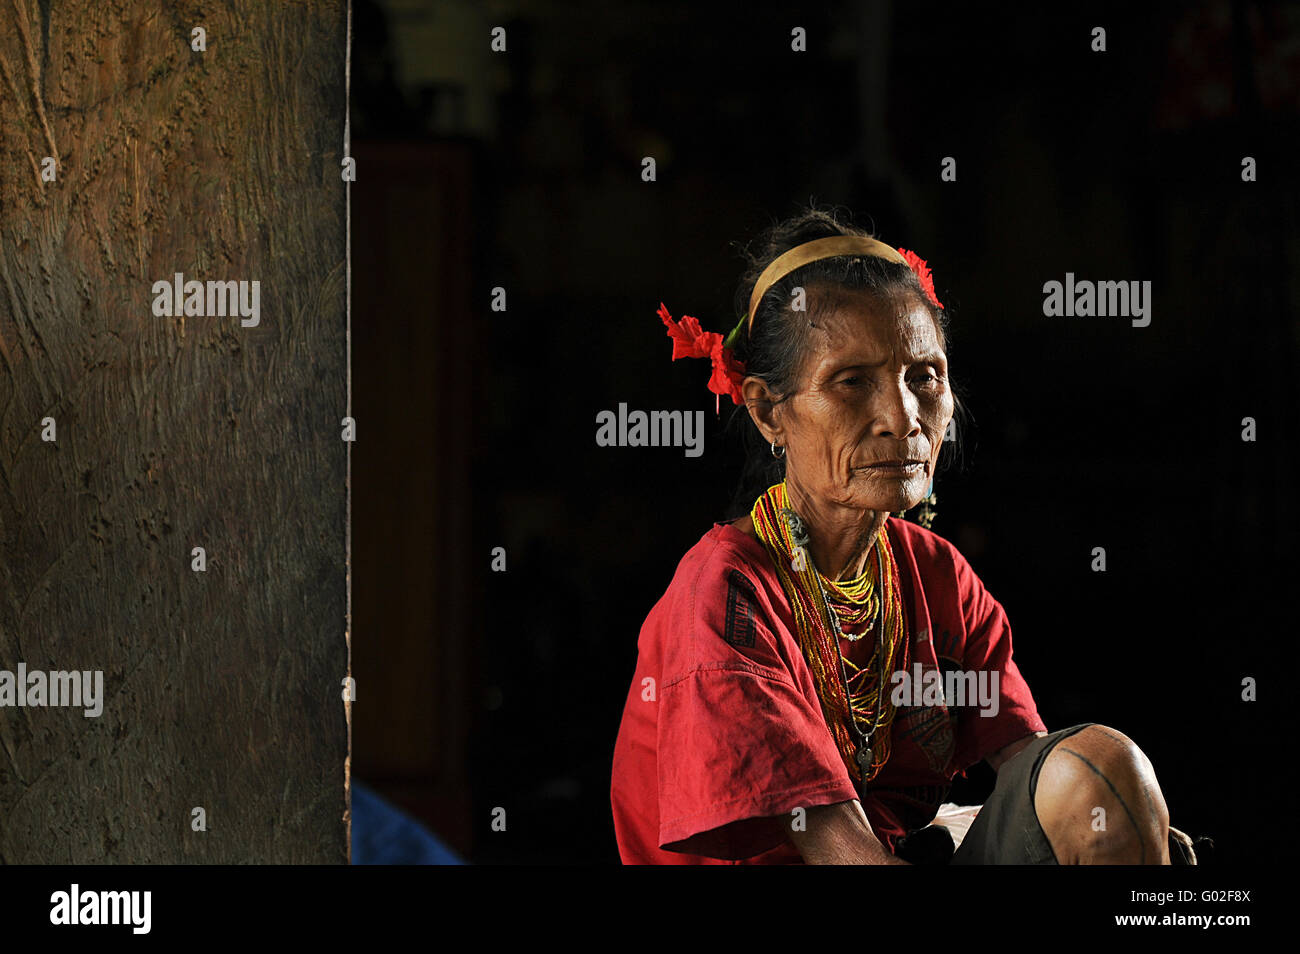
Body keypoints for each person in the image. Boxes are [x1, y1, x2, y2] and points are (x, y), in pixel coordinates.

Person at [610, 207, 1197, 865]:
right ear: (768, 409)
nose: (903, 417)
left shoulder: (933, 572)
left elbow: (1045, 777)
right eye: (851, 382)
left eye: (924, 376)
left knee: (1104, 767)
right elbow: (845, 853)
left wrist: (1122, 820)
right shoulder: (726, 595)